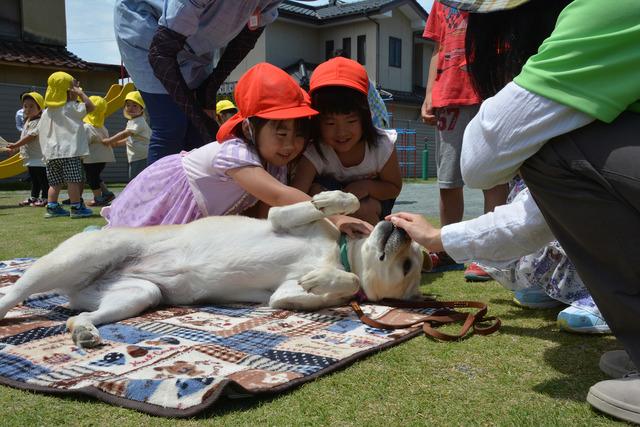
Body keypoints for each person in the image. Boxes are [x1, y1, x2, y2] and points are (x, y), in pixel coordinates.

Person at [418, 0, 640, 422]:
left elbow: (481, 162)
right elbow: (535, 216)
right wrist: (439, 238)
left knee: (549, 152)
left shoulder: (606, 9)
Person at [102, 62, 372, 237]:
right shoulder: (236, 152)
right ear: (249, 129)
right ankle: (100, 235)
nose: (290, 144)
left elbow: (265, 219)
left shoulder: (276, 163)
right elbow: (279, 196)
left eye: (300, 134)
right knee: (135, 245)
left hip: (204, 215)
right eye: (280, 132)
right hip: (169, 196)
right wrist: (335, 217)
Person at [114, 0, 283, 165]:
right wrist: (204, 123)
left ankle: (191, 192)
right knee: (172, 124)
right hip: (148, 27)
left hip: (195, 39)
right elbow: (160, 53)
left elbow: (247, 37)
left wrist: (209, 90)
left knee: (198, 134)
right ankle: (157, 192)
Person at [421, 1, 508, 279]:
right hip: (448, 96)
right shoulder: (440, 3)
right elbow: (438, 48)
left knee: (494, 176)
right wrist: (428, 94)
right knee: (448, 180)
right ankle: (447, 250)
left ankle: (492, 253)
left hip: (489, 91)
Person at [291, 57, 402, 226]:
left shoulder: (381, 146)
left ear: (365, 117)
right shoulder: (315, 150)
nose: (341, 132)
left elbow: (393, 187)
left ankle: (370, 249)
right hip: (331, 204)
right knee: (315, 192)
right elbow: (297, 194)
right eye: (330, 123)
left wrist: (367, 186)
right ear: (317, 121)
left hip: (373, 199)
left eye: (351, 121)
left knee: (363, 208)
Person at [39, 71, 95, 219]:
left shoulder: (46, 112)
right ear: (68, 92)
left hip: (51, 154)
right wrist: (81, 94)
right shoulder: (71, 107)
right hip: (69, 152)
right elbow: (91, 107)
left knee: (54, 183)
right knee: (73, 181)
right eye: (74, 89)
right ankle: (76, 207)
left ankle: (52, 207)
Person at [6, 92, 48, 207]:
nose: (27, 109)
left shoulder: (39, 122)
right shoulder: (28, 121)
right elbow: (24, 139)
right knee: (34, 179)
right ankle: (34, 197)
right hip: (31, 157)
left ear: (40, 108)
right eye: (25, 106)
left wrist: (15, 145)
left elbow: (30, 137)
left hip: (40, 158)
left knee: (43, 179)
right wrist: (15, 148)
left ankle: (46, 198)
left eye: (31, 106)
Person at [103, 91, 151, 181]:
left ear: (141, 109)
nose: (130, 108)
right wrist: (117, 144)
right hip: (138, 156)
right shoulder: (132, 121)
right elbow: (129, 139)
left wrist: (110, 140)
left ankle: (137, 195)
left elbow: (125, 134)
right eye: (128, 105)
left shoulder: (139, 121)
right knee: (136, 179)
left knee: (135, 180)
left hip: (141, 156)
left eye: (135, 105)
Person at [82, 96, 116, 207]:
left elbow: (84, 143)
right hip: (103, 158)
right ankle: (106, 193)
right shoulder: (101, 127)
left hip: (92, 158)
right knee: (96, 176)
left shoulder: (87, 127)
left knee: (92, 179)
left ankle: (98, 198)